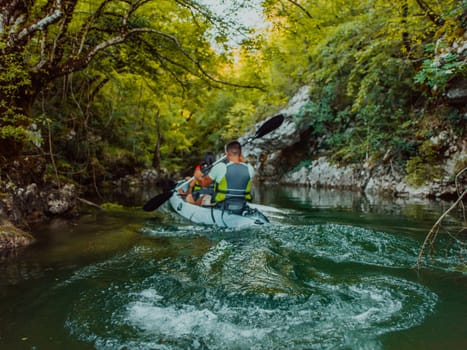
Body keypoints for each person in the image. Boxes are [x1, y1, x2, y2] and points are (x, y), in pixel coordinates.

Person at [194, 140, 254, 213]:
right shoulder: (250, 168)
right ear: (240, 153)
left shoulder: (220, 167)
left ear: (226, 153)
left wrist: (197, 176)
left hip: (222, 204)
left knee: (203, 197)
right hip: (242, 204)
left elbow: (204, 184)